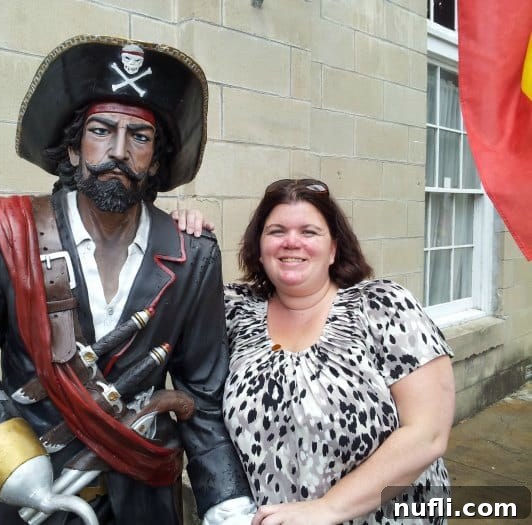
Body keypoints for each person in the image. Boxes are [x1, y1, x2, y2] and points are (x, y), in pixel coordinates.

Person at [0, 35, 254, 525]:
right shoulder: (3, 232)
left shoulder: (193, 254)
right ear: (73, 149)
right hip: (18, 499)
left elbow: (202, 395)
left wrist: (226, 505)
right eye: (101, 130)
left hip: (137, 499)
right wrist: (16, 468)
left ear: (155, 160)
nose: (118, 150)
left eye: (139, 136)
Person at [175, 178, 455, 525]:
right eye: (277, 231)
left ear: (334, 248)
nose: (292, 242)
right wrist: (181, 236)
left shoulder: (384, 306)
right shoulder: (232, 312)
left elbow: (428, 434)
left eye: (309, 231)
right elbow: (170, 297)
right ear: (259, 248)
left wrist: (327, 509)